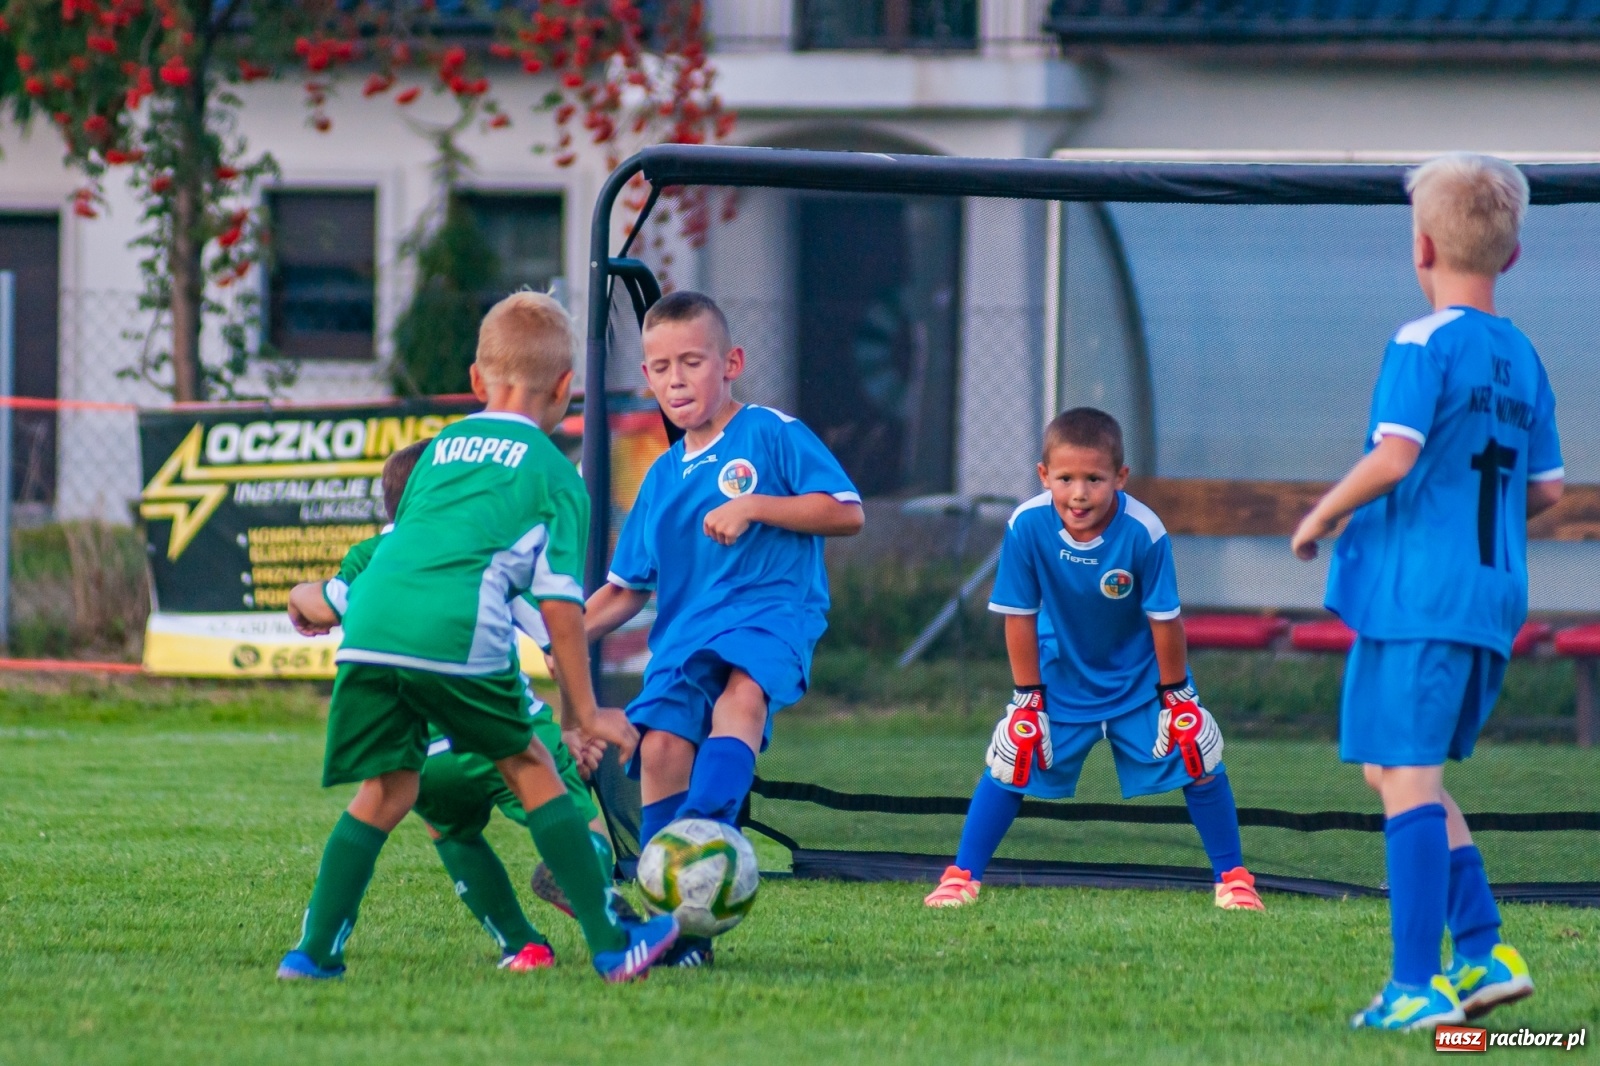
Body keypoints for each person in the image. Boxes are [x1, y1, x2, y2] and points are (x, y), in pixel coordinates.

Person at [277, 291, 677, 983]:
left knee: (385, 792)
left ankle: (312, 955)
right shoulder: (554, 473)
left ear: (475, 380)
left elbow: (405, 547)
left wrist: (316, 600)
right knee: (530, 765)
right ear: (565, 388)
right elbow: (560, 606)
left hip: (369, 627)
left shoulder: (438, 451)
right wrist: (583, 713)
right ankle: (616, 945)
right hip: (454, 630)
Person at [1292, 153, 1559, 1032]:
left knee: (1405, 774)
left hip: (1420, 597)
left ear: (1422, 246)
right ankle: (1483, 952)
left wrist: (1323, 513)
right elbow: (1547, 490)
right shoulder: (1524, 356)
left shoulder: (1422, 341)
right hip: (1490, 598)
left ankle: (1415, 986)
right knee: (1395, 768)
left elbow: (1396, 454)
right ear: (1511, 254)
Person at [585, 290, 864, 966]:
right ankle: (677, 928)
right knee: (658, 750)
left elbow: (846, 511)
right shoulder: (660, 477)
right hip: (685, 634)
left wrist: (757, 506)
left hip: (770, 610)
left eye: (692, 362)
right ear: (647, 377)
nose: (676, 380)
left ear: (730, 363)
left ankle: (704, 835)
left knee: (741, 695)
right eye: (661, 367)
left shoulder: (770, 433)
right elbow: (624, 591)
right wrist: (552, 635)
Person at [293, 438, 638, 974]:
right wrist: (576, 724)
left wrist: (299, 597)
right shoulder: (479, 543)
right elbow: (557, 642)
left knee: (449, 830)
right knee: (570, 812)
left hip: (423, 750)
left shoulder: (371, 556)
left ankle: (520, 944)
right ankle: (599, 899)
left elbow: (322, 602)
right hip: (495, 722)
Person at [925, 407, 1263, 913]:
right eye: (1065, 479)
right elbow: (1018, 617)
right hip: (1061, 677)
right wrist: (1028, 697)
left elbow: (1165, 621)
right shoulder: (1027, 525)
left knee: (1196, 747)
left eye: (1094, 479)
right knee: (1013, 755)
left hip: (1140, 679)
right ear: (1044, 475)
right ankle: (961, 877)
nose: (1079, 493)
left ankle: (1234, 879)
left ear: (1120, 478)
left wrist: (1176, 696)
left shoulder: (1145, 531)